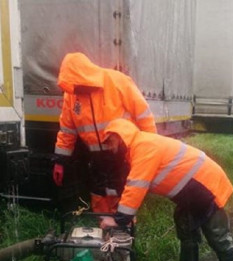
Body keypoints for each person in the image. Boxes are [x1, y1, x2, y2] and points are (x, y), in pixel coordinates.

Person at [99, 118, 233, 261]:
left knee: (218, 238)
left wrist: (120, 219)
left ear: (120, 136)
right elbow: (134, 187)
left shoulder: (144, 146)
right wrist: (126, 214)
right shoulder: (137, 149)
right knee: (186, 232)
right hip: (190, 193)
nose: (111, 148)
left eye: (111, 142)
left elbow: (136, 186)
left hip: (206, 186)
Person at [52, 52, 157, 213]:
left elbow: (144, 116)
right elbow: (67, 130)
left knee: (121, 190)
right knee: (99, 192)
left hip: (122, 152)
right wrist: (60, 161)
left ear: (84, 75)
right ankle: (103, 225)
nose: (76, 89)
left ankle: (123, 229)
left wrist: (151, 149)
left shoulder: (117, 81)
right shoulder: (71, 94)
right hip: (96, 157)